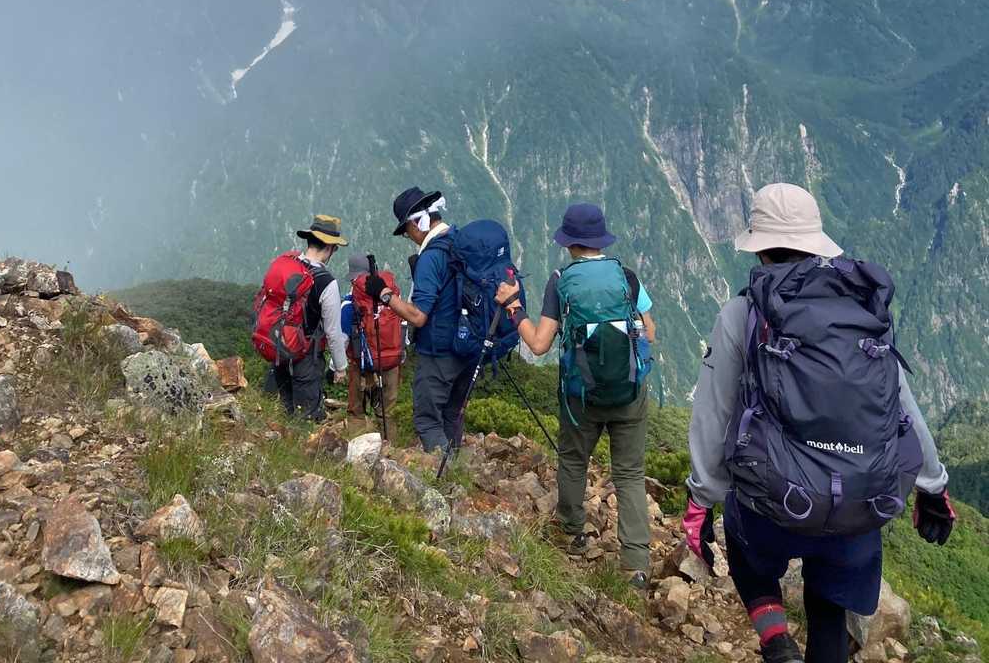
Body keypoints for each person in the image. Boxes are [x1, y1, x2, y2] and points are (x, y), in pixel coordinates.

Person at [683, 183, 954, 663]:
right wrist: (933, 486)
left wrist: (702, 500)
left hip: (773, 507)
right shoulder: (863, 312)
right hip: (857, 505)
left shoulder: (742, 313)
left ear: (760, 247)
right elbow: (900, 405)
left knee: (744, 543)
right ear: (816, 244)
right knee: (829, 605)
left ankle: (775, 639)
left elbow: (713, 412)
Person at [493, 202, 657, 587]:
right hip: (630, 391)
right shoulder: (627, 277)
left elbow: (538, 344)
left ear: (568, 243)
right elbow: (649, 333)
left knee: (573, 459)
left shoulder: (560, 281)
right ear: (602, 240)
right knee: (630, 473)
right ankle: (636, 564)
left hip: (582, 395)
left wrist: (514, 308)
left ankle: (571, 532)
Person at [371, 187, 469, 453]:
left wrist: (385, 294)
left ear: (415, 224)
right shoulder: (459, 241)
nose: (409, 237)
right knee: (451, 414)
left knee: (427, 421)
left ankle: (444, 473)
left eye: (406, 231)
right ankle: (454, 465)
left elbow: (418, 316)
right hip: (467, 346)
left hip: (438, 351)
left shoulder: (431, 256)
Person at [264, 213, 349, 421]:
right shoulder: (326, 282)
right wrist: (340, 367)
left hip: (279, 349)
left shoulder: (287, 266)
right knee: (307, 419)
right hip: (306, 358)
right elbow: (333, 331)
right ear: (330, 248)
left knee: (282, 415)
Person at [341, 253, 403, 438]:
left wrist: (336, 367)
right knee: (388, 412)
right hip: (391, 362)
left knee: (356, 412)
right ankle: (390, 448)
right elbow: (402, 325)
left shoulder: (350, 302)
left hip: (361, 364)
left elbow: (343, 338)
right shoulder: (392, 296)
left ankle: (358, 445)